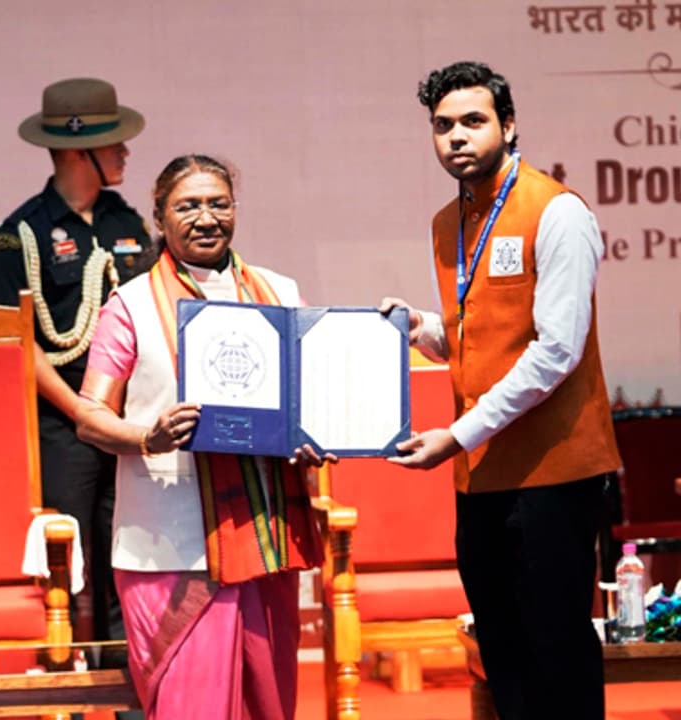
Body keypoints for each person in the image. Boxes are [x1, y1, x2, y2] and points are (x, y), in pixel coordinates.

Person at [383, 61, 621, 720]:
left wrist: (457, 433)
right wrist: (417, 328)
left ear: (508, 125)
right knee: (503, 656)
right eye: (443, 125)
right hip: (478, 477)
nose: (456, 137)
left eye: (472, 121)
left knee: (558, 655)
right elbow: (477, 335)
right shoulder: (446, 221)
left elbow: (556, 352)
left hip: (555, 471)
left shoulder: (557, 211)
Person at [73, 154, 325, 719]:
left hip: (263, 537)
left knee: (268, 703)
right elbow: (91, 417)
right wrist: (148, 437)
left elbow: (314, 396)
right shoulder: (130, 305)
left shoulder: (281, 293)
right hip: (171, 544)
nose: (206, 218)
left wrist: (318, 435)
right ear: (159, 218)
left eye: (219, 203)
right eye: (188, 206)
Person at [0, 77, 152, 641]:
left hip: (127, 422)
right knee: (71, 570)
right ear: (79, 150)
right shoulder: (19, 235)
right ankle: (71, 697)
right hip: (65, 427)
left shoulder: (127, 223)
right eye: (114, 143)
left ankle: (128, 694)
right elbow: (22, 345)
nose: (125, 151)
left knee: (128, 560)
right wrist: (83, 413)